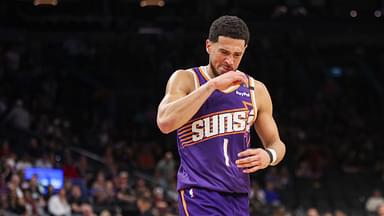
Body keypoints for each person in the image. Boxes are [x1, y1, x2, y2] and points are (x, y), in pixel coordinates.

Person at [156, 15, 286, 215]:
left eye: (237, 54)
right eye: (224, 52)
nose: (229, 61)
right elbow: (165, 122)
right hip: (199, 193)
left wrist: (268, 156)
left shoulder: (255, 90)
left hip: (238, 195)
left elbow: (277, 144)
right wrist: (212, 86)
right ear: (208, 46)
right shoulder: (187, 79)